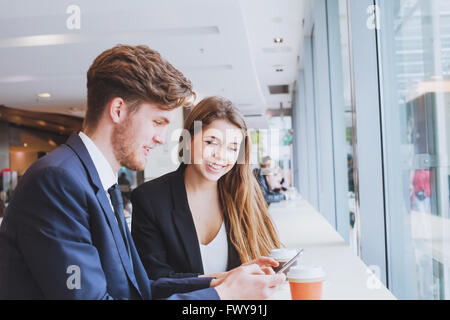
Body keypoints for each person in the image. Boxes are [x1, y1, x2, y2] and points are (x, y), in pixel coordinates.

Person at [0, 45, 285, 300]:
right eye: (158, 121)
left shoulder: (99, 183)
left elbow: (140, 288)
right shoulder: (57, 182)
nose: (162, 138)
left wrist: (223, 280)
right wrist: (222, 295)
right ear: (118, 110)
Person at [131, 96, 282, 281]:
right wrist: (227, 280)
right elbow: (154, 281)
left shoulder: (245, 195)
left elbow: (269, 261)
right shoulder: (150, 199)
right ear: (187, 140)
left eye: (233, 148)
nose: (221, 156)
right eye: (211, 142)